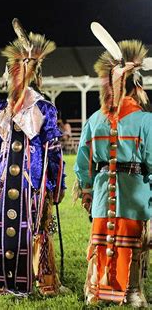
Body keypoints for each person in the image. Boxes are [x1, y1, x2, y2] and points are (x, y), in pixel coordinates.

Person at [0, 19, 66, 296]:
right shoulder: (45, 108)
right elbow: (53, 151)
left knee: (9, 225)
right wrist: (57, 183)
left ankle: (4, 282)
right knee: (37, 226)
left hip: (6, 179)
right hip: (33, 181)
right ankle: (43, 282)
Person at [75, 27, 152, 307]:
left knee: (101, 240)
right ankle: (130, 293)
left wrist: (86, 189)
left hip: (101, 193)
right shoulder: (145, 121)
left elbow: (84, 162)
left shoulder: (95, 119)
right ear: (138, 88)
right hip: (134, 194)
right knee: (131, 242)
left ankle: (95, 291)